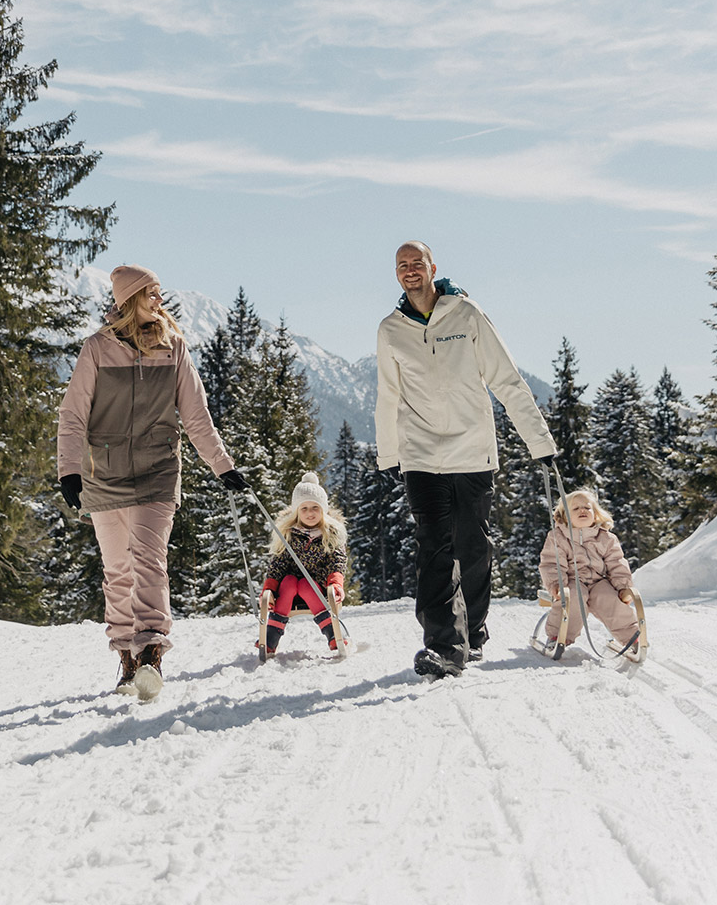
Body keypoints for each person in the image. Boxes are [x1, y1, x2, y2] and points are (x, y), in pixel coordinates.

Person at [57, 263, 247, 697]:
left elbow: (196, 416)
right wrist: (69, 471)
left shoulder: (173, 348)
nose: (159, 300)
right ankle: (125, 656)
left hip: (159, 470)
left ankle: (150, 654)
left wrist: (223, 465)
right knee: (118, 570)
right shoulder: (97, 350)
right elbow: (73, 416)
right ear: (129, 300)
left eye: (159, 293)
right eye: (151, 293)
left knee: (148, 559)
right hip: (105, 473)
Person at [375, 240, 557, 679]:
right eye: (403, 265)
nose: (410, 270)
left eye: (417, 263)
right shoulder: (391, 329)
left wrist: (541, 444)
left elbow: (507, 380)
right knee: (433, 548)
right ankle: (444, 647)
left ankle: (473, 631)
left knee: (473, 546)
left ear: (433, 267)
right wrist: (389, 455)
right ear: (396, 274)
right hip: (421, 454)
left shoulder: (466, 315)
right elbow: (388, 393)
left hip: (472, 450)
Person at [539, 488, 640, 658]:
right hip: (571, 581)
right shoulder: (558, 537)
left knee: (609, 599)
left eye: (587, 507)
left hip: (599, 581)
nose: (582, 511)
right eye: (576, 508)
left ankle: (630, 637)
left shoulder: (606, 538)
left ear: (596, 513)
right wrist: (557, 585)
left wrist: (623, 587)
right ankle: (558, 636)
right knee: (573, 599)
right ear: (565, 516)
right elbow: (552, 563)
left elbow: (616, 563)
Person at [258, 472, 348, 656]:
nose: (310, 513)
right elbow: (278, 563)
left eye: (315, 507)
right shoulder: (288, 534)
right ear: (296, 511)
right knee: (291, 580)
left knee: (306, 584)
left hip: (318, 590)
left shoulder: (330, 534)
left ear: (323, 509)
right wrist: (269, 588)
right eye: (304, 508)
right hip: (287, 592)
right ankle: (271, 638)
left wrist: (336, 584)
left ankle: (333, 634)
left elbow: (336, 561)